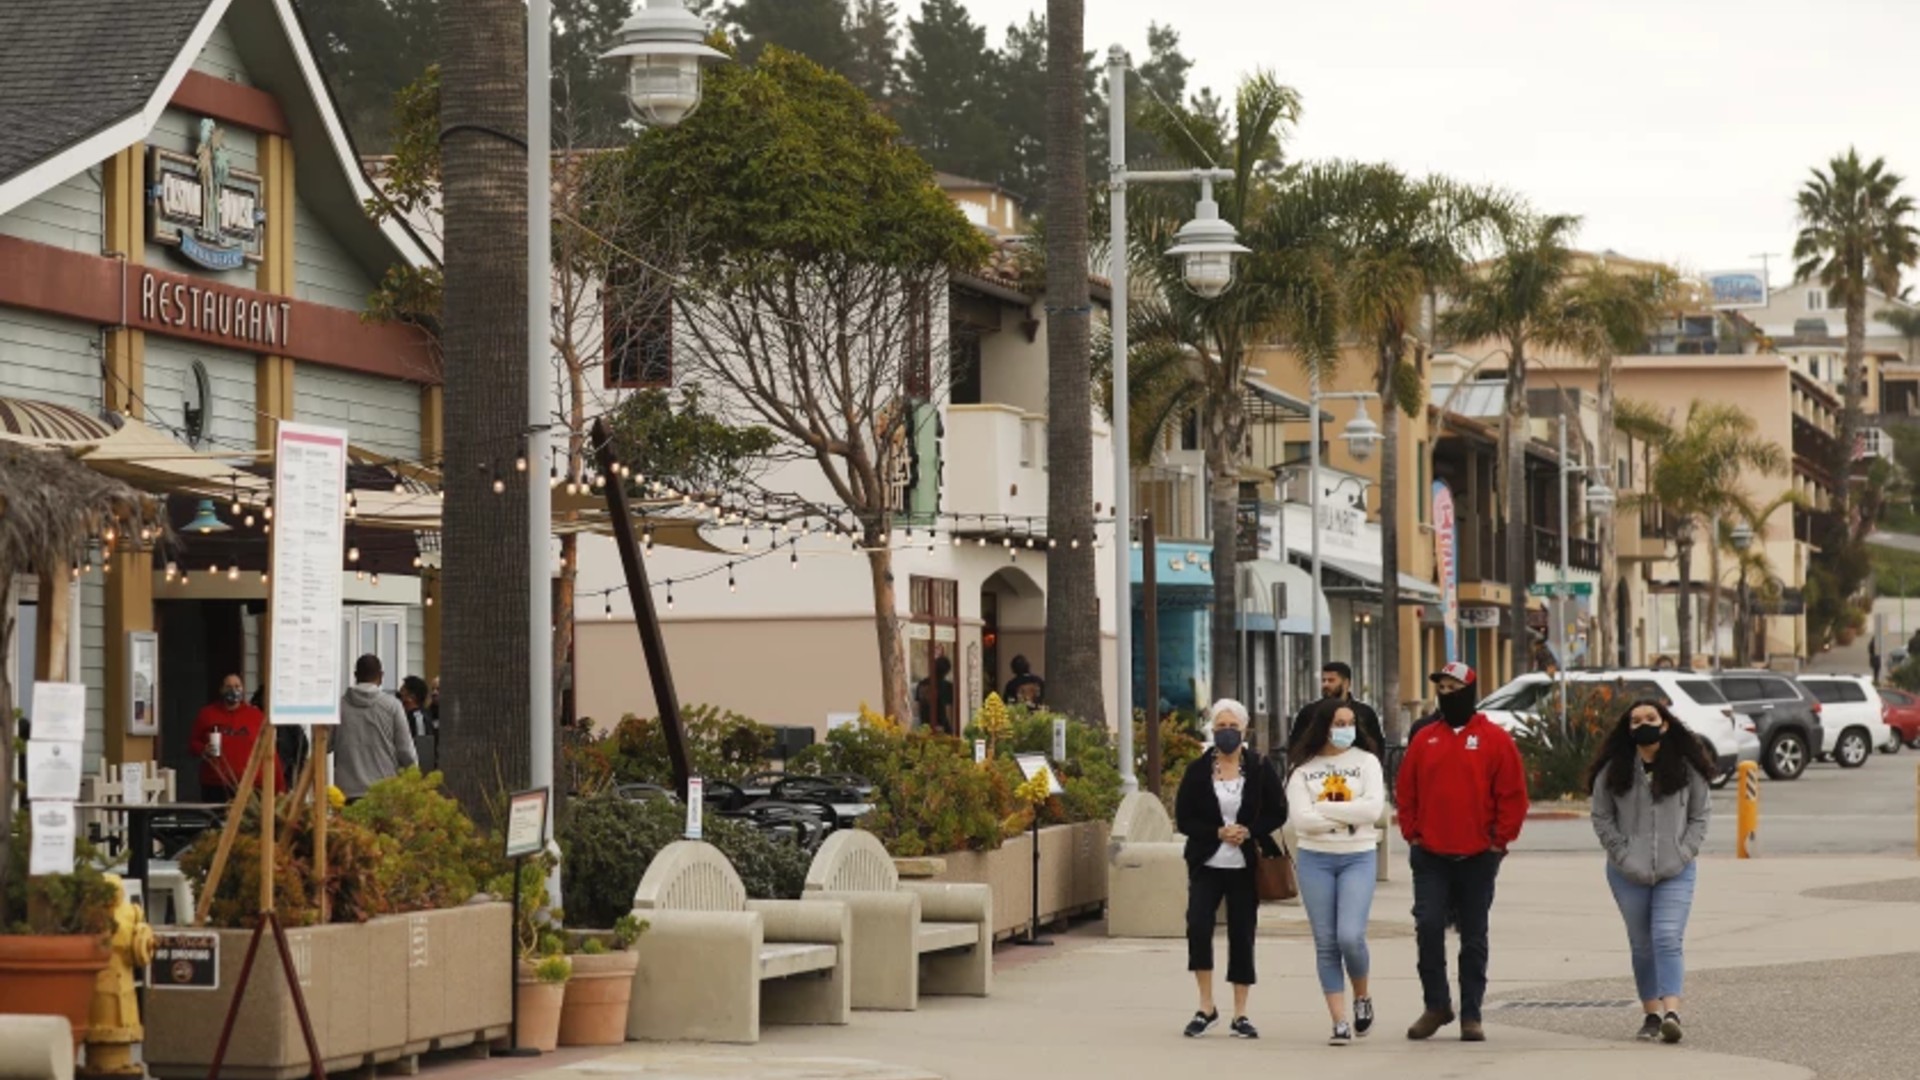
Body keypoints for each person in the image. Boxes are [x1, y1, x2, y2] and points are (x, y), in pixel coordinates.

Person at [1395, 662, 1529, 1042]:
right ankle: (1436, 1005)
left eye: (1454, 686)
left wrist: (1498, 843)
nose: (1446, 692)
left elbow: (1513, 796)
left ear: (1469, 691)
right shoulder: (1425, 738)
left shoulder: (1494, 739)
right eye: (1441, 686)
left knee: (1474, 936)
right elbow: (1406, 791)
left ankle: (1472, 1013)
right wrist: (1412, 834)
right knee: (1429, 926)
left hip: (1477, 856)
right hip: (1431, 855)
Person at [1587, 699, 1714, 1045]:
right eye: (1636, 720)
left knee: (1667, 938)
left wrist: (1685, 851)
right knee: (1642, 946)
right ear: (1628, 729)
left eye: (1651, 718)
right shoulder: (1614, 770)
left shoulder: (1687, 768)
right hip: (1627, 873)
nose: (1644, 724)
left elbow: (1701, 814)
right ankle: (1652, 1014)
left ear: (1665, 723)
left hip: (1677, 870)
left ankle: (1672, 1012)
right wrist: (1622, 853)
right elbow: (1601, 816)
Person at [1174, 699, 1287, 1040]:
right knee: (1198, 925)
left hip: (1244, 866)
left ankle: (1241, 1013)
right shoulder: (1198, 770)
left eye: (1232, 727)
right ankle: (1206, 1006)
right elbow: (1184, 818)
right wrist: (1217, 832)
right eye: (1220, 727)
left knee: (1242, 933)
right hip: (1207, 863)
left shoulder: (1259, 766)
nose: (1226, 733)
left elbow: (1278, 811)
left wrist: (1248, 830)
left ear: (1244, 730)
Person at [1285, 699, 1387, 1046]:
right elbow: (1301, 820)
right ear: (1323, 726)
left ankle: (1362, 997)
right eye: (1339, 722)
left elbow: (1373, 809)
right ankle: (1340, 1020)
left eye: (1350, 722)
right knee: (1326, 942)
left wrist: (1325, 808)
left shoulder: (1367, 762)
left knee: (1350, 936)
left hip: (1357, 857)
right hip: (1315, 860)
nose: (1346, 729)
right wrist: (1347, 813)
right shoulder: (1302, 771)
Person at [187, 674, 281, 803]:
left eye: (237, 686)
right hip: (216, 783)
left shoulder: (256, 716)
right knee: (217, 822)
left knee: (248, 822)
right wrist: (203, 749)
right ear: (221, 689)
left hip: (251, 784)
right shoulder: (207, 714)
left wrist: (278, 787)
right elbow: (193, 743)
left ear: (243, 689)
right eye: (228, 686)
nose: (233, 690)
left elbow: (269, 750)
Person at [336, 654, 418, 801]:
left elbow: (324, 744)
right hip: (384, 791)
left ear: (355, 675)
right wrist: (415, 780)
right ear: (381, 676)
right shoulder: (392, 706)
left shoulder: (339, 707)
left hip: (346, 792)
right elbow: (405, 751)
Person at [1293, 662, 1387, 757]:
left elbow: (1377, 746)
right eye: (1323, 680)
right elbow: (1296, 745)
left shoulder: (1365, 712)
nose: (1326, 685)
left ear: (1346, 683)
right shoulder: (1309, 712)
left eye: (1331, 680)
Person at [399, 675, 436, 773]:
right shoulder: (406, 716)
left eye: (402, 693)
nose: (400, 696)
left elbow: (423, 751)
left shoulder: (418, 718)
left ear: (412, 696)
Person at [914, 655, 957, 735]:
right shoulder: (946, 686)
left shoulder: (922, 684)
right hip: (941, 727)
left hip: (924, 727)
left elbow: (918, 707)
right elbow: (949, 710)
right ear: (946, 671)